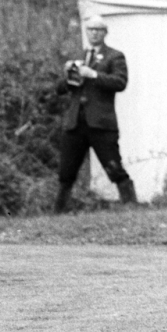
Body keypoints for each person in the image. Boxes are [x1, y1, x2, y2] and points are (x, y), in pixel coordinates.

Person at [54, 15, 137, 213]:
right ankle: (58, 211)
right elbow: (58, 89)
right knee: (66, 171)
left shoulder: (114, 56)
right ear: (86, 32)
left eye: (98, 29)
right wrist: (69, 76)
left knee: (113, 166)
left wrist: (93, 75)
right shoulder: (78, 56)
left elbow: (120, 82)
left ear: (105, 32)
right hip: (76, 122)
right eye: (91, 29)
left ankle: (131, 205)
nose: (94, 33)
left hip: (101, 123)